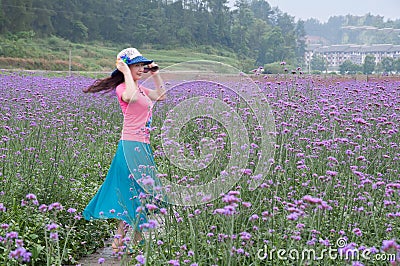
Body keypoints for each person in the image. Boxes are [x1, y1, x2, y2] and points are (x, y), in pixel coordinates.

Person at [82, 48, 166, 254]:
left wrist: (155, 74)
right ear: (126, 68)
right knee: (135, 193)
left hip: (143, 146)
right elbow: (129, 96)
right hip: (129, 146)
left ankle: (122, 241)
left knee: (141, 193)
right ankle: (130, 243)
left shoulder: (142, 90)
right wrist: (126, 72)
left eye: (141, 65)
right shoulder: (123, 88)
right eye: (136, 65)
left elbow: (162, 96)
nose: (140, 69)